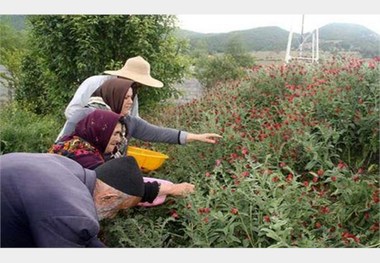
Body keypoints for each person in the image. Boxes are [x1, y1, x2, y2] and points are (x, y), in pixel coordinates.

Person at [0, 152, 194, 247]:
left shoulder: (73, 170)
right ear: (109, 197)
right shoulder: (73, 212)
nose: (112, 217)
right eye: (118, 210)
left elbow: (83, 238)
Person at [49, 109, 194, 206]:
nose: (119, 139)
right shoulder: (83, 156)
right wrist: (172, 189)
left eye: (120, 134)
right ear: (101, 131)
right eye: (115, 133)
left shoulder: (74, 143)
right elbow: (115, 188)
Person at [56, 77, 222, 157]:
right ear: (114, 96)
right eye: (126, 98)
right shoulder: (85, 116)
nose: (130, 102)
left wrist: (197, 137)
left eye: (131, 97)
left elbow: (159, 133)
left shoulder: (127, 122)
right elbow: (60, 149)